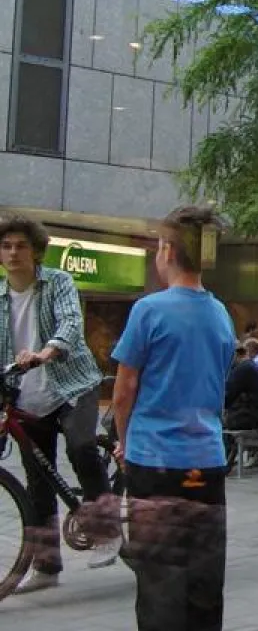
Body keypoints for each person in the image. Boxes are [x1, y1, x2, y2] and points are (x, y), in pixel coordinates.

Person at [111, 206, 237, 631]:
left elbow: (124, 390)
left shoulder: (149, 310)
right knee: (204, 581)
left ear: (166, 250)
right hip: (207, 460)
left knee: (159, 581)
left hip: (155, 460)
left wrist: (125, 442)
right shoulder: (221, 314)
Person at [0, 215, 120, 593]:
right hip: (27, 397)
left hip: (72, 386)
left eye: (21, 245)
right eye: (6, 246)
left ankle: (107, 530)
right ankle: (47, 568)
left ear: (36, 250)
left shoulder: (58, 282)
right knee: (37, 482)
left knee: (81, 446)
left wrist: (46, 352)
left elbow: (69, 322)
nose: (13, 252)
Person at [223, 345, 258, 468]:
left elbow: (228, 395)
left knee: (219, 423)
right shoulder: (249, 365)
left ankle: (224, 459)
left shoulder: (243, 369)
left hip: (251, 415)